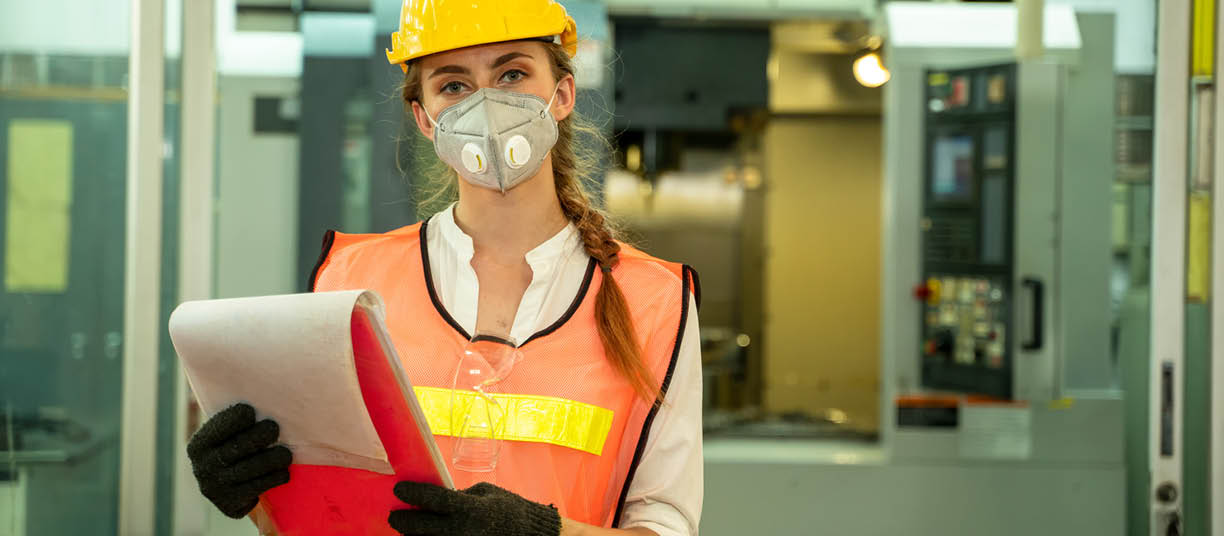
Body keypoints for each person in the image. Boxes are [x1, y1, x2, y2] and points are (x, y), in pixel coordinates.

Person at [185, 1, 703, 535]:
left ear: (563, 94)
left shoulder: (654, 300)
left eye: (512, 74)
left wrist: (543, 533)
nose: (486, 104)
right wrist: (259, 496)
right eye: (454, 85)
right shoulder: (351, 281)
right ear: (424, 118)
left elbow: (664, 526)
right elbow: (325, 513)